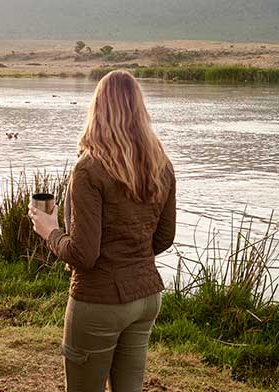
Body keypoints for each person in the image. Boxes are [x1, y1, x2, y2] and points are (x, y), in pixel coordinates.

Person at [30, 70, 177, 392]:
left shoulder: (89, 169)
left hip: (99, 302)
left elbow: (84, 255)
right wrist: (130, 256)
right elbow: (164, 238)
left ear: (97, 110)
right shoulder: (161, 164)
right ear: (140, 110)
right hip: (147, 297)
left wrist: (49, 230)